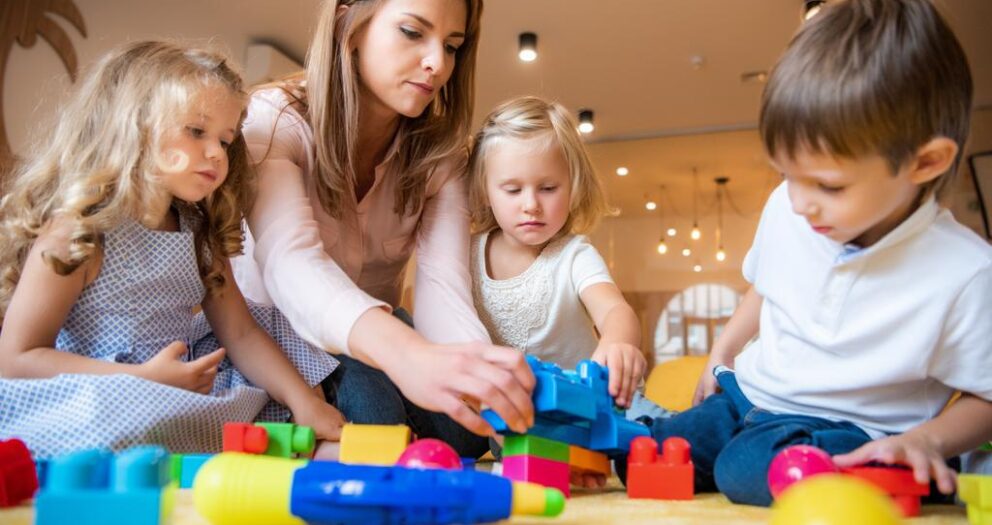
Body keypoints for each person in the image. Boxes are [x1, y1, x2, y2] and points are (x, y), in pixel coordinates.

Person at [620, 0, 992, 506]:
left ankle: (897, 475)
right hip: (747, 396)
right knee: (648, 453)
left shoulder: (964, 273)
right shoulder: (788, 208)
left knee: (746, 468)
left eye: (828, 185)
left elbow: (986, 395)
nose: (798, 202)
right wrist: (722, 353)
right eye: (787, 175)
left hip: (852, 427)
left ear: (924, 162)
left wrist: (927, 441)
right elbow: (764, 287)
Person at [0, 41, 343, 459]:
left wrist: (303, 402)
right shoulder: (79, 230)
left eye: (225, 139)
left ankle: (298, 437)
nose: (217, 152)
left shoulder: (198, 232)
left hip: (177, 382)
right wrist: (141, 378)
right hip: (99, 392)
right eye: (197, 132)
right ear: (135, 125)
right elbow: (16, 359)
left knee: (271, 324)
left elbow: (239, 332)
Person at [234, 0, 534, 458]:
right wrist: (408, 355)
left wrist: (486, 390)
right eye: (413, 32)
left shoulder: (442, 155)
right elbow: (290, 262)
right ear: (348, 25)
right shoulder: (272, 120)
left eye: (453, 46)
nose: (437, 64)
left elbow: (442, 287)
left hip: (380, 336)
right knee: (376, 419)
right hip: (278, 333)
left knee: (466, 431)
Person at [467, 96, 657, 486]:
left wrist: (620, 343)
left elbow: (613, 310)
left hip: (590, 410)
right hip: (513, 420)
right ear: (486, 191)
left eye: (548, 187)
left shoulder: (573, 254)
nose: (531, 205)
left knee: (658, 434)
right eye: (512, 189)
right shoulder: (466, 254)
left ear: (573, 188)